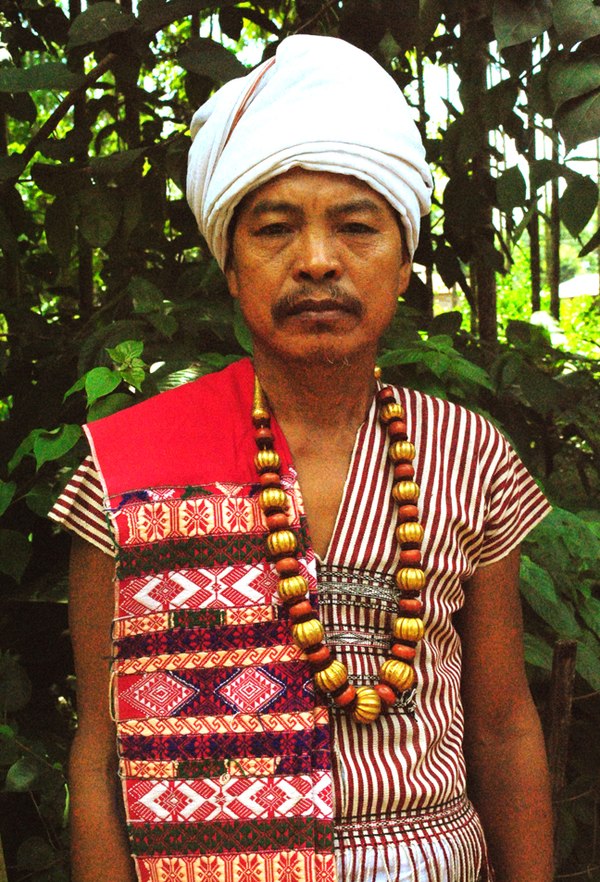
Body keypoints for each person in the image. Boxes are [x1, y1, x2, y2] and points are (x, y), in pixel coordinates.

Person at [50, 35, 554, 882]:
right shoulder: (122, 469)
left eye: (357, 227)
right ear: (231, 267)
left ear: (402, 265)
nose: (318, 260)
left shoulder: (471, 454)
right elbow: (101, 758)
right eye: (275, 229)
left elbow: (504, 720)